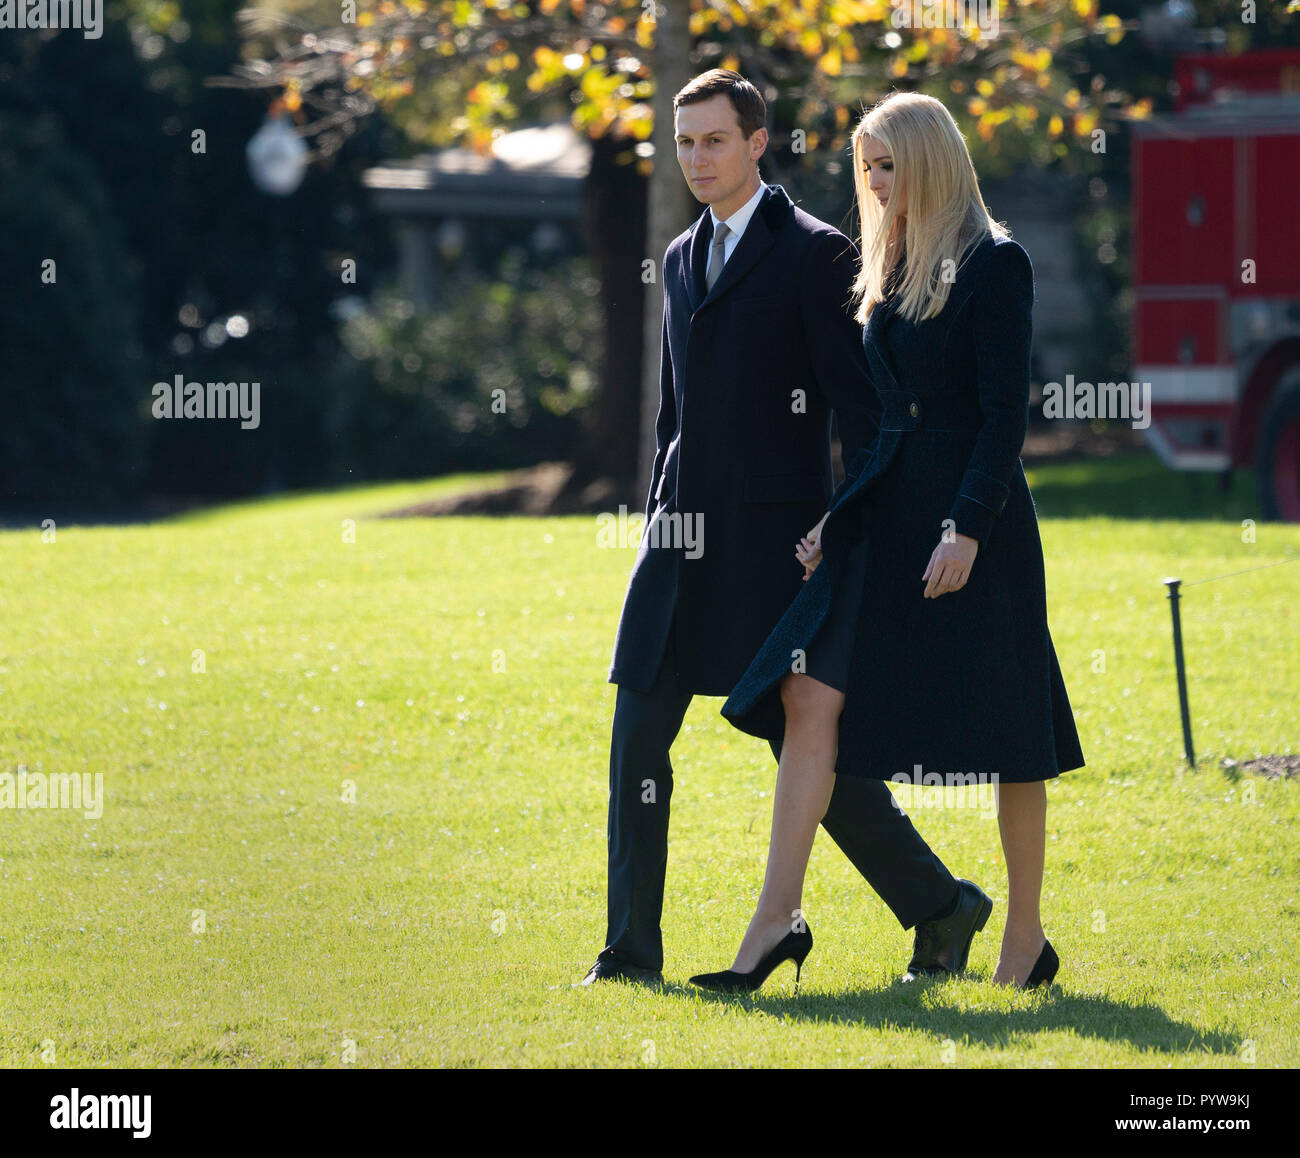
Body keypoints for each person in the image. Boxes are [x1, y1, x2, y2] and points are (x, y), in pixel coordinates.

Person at [580, 71, 993, 990]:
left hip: (778, 555)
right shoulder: (679, 256)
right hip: (677, 546)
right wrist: (655, 512)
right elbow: (671, 415)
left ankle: (941, 905)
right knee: (637, 742)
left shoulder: (815, 252)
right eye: (683, 143)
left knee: (814, 758)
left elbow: (866, 408)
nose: (696, 159)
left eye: (714, 141)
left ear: (757, 143)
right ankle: (628, 956)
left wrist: (837, 528)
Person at [694, 91, 1086, 994]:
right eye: (865, 166)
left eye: (887, 165)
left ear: (931, 161)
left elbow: (1002, 419)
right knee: (803, 695)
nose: (873, 183)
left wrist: (967, 529)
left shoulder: (999, 263)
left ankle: (1023, 941)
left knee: (1011, 733)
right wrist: (840, 515)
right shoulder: (894, 257)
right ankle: (773, 926)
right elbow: (884, 422)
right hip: (885, 516)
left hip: (971, 526)